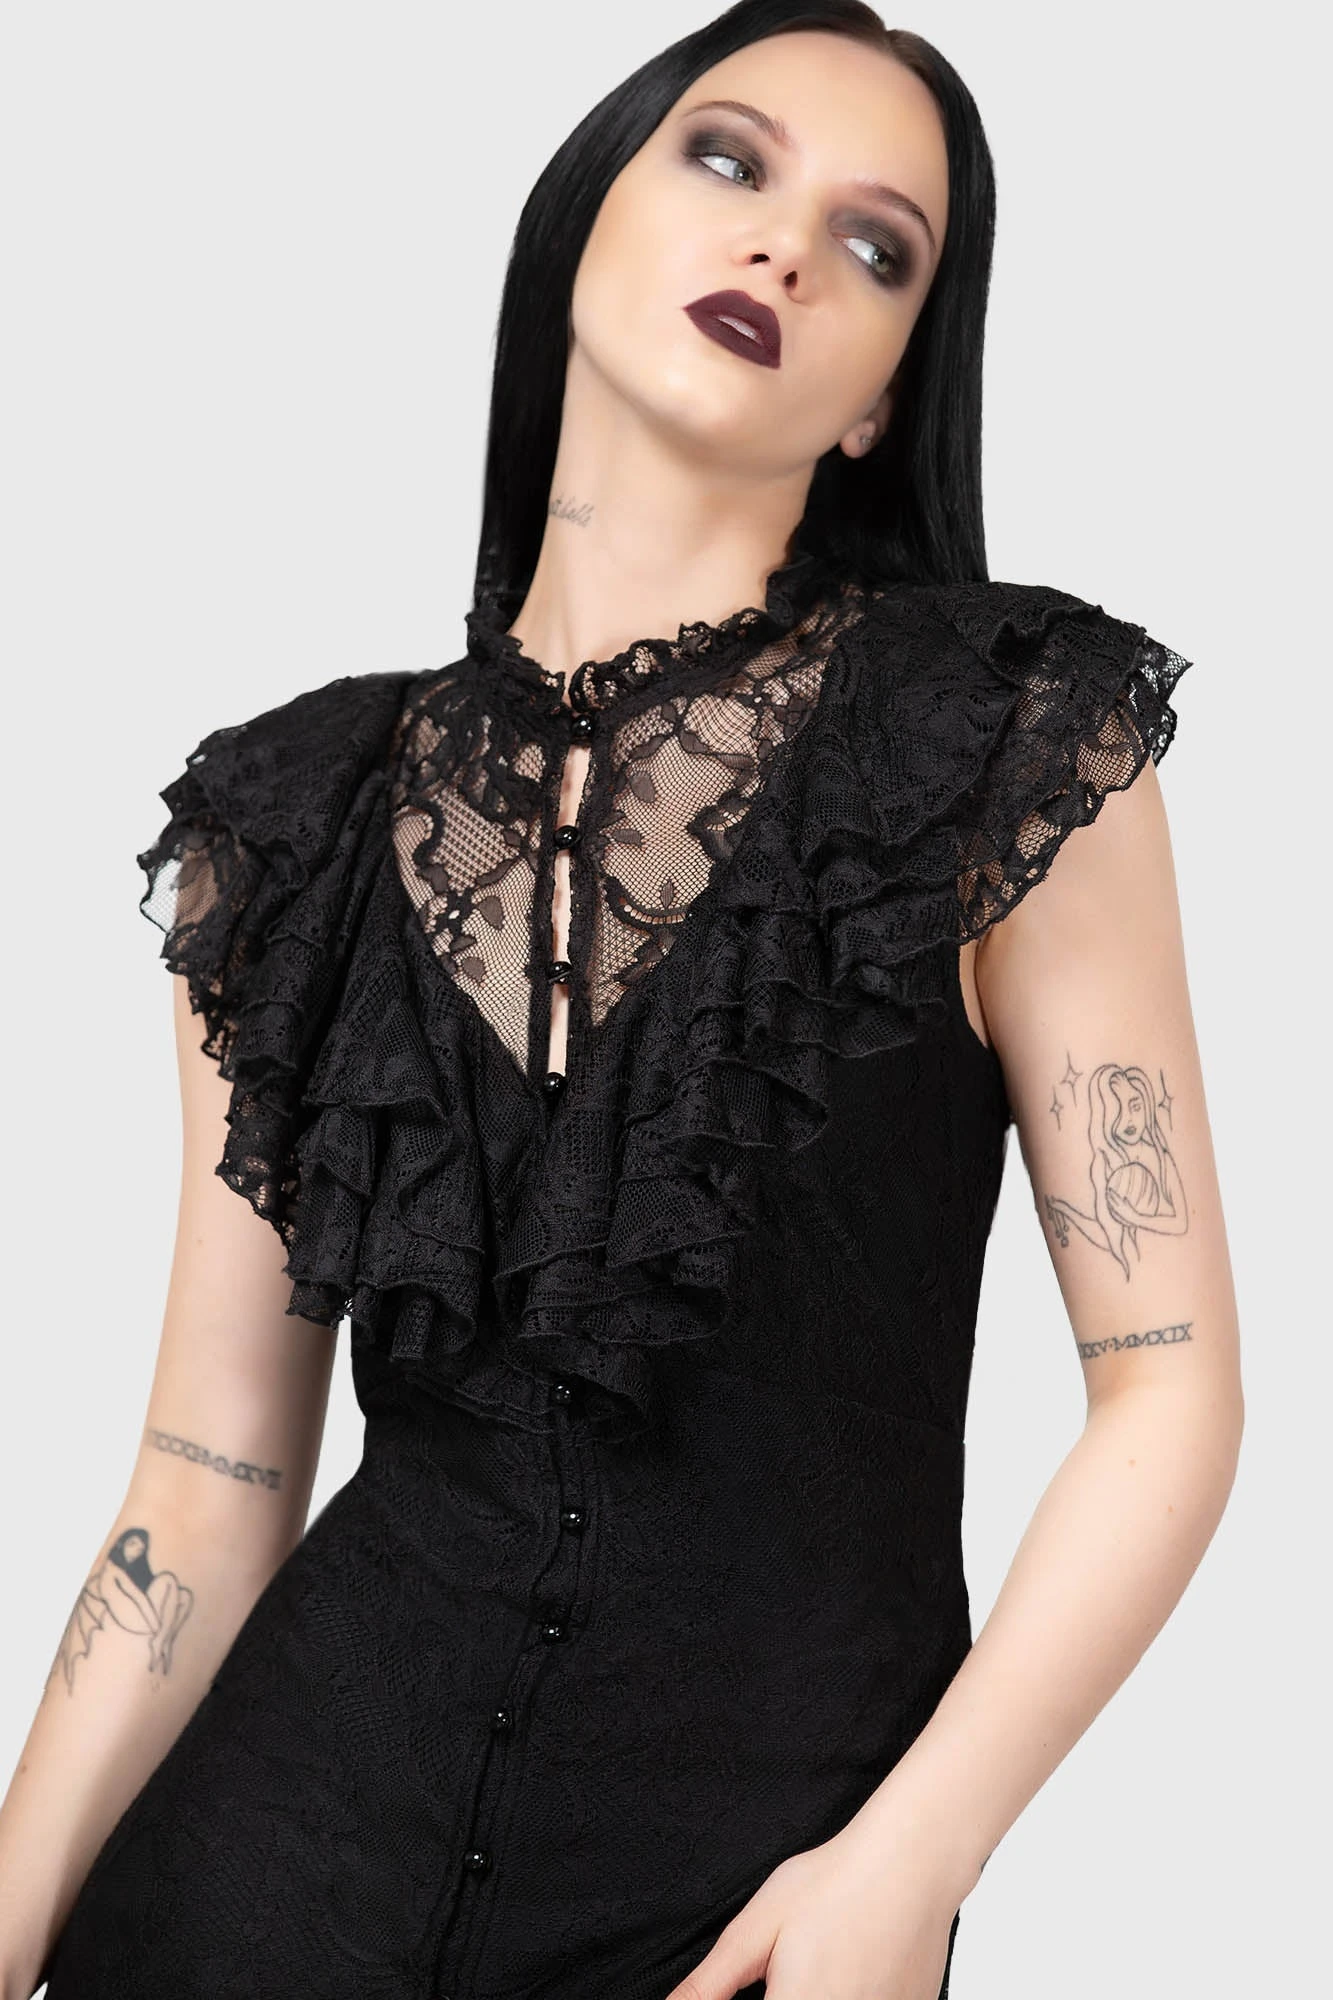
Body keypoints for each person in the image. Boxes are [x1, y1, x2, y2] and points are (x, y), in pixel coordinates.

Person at [0, 3, 1242, 1996]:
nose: (783, 248)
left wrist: (909, 1864)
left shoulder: (1007, 746)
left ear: (883, 399)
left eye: (877, 246)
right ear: (584, 215)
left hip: (745, 1920)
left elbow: (1167, 1388)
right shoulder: (288, 825)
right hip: (253, 1893)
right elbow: (210, 1482)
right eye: (730, 161)